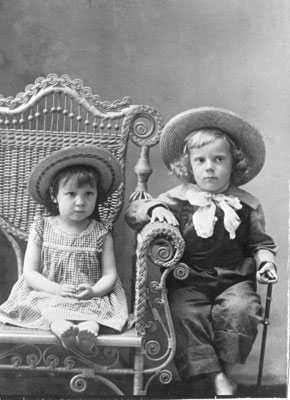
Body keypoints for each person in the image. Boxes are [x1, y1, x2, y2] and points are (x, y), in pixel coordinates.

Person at [125, 107, 278, 396]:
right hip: (189, 279)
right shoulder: (178, 198)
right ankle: (216, 377)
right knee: (184, 314)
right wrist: (155, 208)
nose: (210, 167)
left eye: (219, 159)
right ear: (189, 166)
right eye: (201, 160)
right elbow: (134, 211)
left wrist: (266, 261)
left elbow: (261, 243)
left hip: (236, 280)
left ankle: (226, 371)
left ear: (235, 163)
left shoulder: (247, 204)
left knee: (241, 310)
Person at [0, 146, 129, 353]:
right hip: (48, 293)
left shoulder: (101, 232)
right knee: (48, 308)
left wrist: (93, 291)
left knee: (95, 312)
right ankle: (63, 329)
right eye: (71, 194)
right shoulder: (42, 226)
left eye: (88, 193)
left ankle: (88, 331)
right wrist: (55, 289)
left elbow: (109, 274)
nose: (80, 202)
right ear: (54, 195)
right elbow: (30, 273)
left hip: (88, 297)